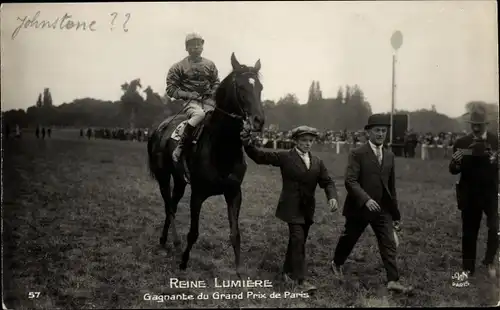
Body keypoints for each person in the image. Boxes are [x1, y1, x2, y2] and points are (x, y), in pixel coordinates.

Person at [241, 125, 339, 293]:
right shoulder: (286, 157)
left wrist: (332, 196)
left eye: (310, 141)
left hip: (307, 209)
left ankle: (287, 271)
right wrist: (247, 143)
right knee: (298, 240)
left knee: (297, 242)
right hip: (291, 207)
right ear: (295, 141)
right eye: (303, 140)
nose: (307, 144)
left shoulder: (317, 161)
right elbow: (260, 157)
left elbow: (327, 181)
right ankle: (300, 281)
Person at [331, 114, 412, 293]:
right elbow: (350, 181)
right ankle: (336, 263)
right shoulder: (357, 153)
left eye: (384, 131)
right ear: (368, 133)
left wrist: (395, 214)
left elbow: (391, 187)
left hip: (382, 208)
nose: (381, 134)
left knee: (388, 242)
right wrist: (366, 199)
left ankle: (393, 280)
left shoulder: (390, 156)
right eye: (377, 130)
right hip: (359, 207)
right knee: (349, 238)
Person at [449, 104, 498, 278]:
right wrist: (455, 162)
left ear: (487, 124)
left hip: (491, 193)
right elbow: (453, 170)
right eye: (473, 125)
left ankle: (489, 260)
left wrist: (494, 159)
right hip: (470, 193)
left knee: (495, 227)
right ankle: (468, 268)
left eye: (480, 125)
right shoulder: (461, 143)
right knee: (469, 231)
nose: (476, 128)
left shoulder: (495, 141)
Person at [165, 32, 220, 164]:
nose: (196, 47)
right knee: (199, 115)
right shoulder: (177, 67)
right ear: (186, 48)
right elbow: (170, 89)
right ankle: (180, 147)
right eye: (192, 45)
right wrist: (189, 94)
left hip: (209, 101)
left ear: (202, 46)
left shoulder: (210, 65)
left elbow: (216, 82)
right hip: (191, 103)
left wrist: (213, 91)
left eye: (198, 44)